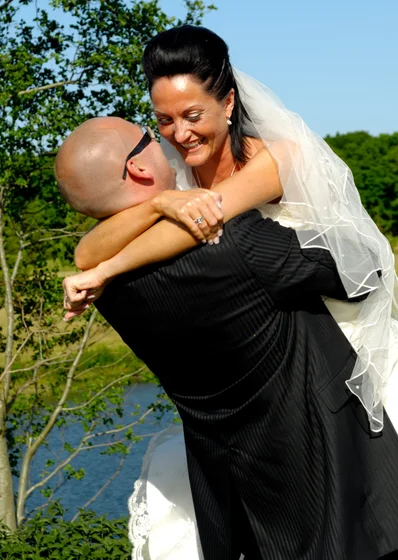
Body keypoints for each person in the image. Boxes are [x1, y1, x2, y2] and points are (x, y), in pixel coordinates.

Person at [56, 117, 398, 560]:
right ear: (139, 168)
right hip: (327, 473)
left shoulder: (105, 288)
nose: (166, 141)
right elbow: (364, 271)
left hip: (235, 495)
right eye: (149, 134)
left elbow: (89, 249)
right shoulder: (235, 240)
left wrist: (160, 205)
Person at [64, 26, 397, 436]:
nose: (179, 135)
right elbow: (85, 252)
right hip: (253, 368)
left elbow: (200, 224)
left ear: (227, 102)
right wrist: (157, 202)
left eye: (192, 116)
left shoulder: (279, 157)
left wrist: (105, 271)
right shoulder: (172, 167)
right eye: (164, 120)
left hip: (334, 335)